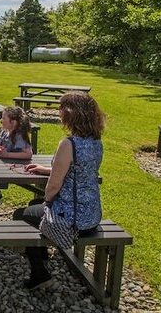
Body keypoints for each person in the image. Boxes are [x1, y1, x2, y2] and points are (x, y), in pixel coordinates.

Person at [13, 91, 105, 290]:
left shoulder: (68, 144)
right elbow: (79, 170)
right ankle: (43, 254)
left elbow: (53, 187)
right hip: (91, 216)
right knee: (33, 205)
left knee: (22, 215)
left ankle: (40, 274)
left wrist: (48, 201)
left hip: (72, 221)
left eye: (62, 109)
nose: (59, 113)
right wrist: (46, 169)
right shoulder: (96, 142)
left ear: (71, 114)